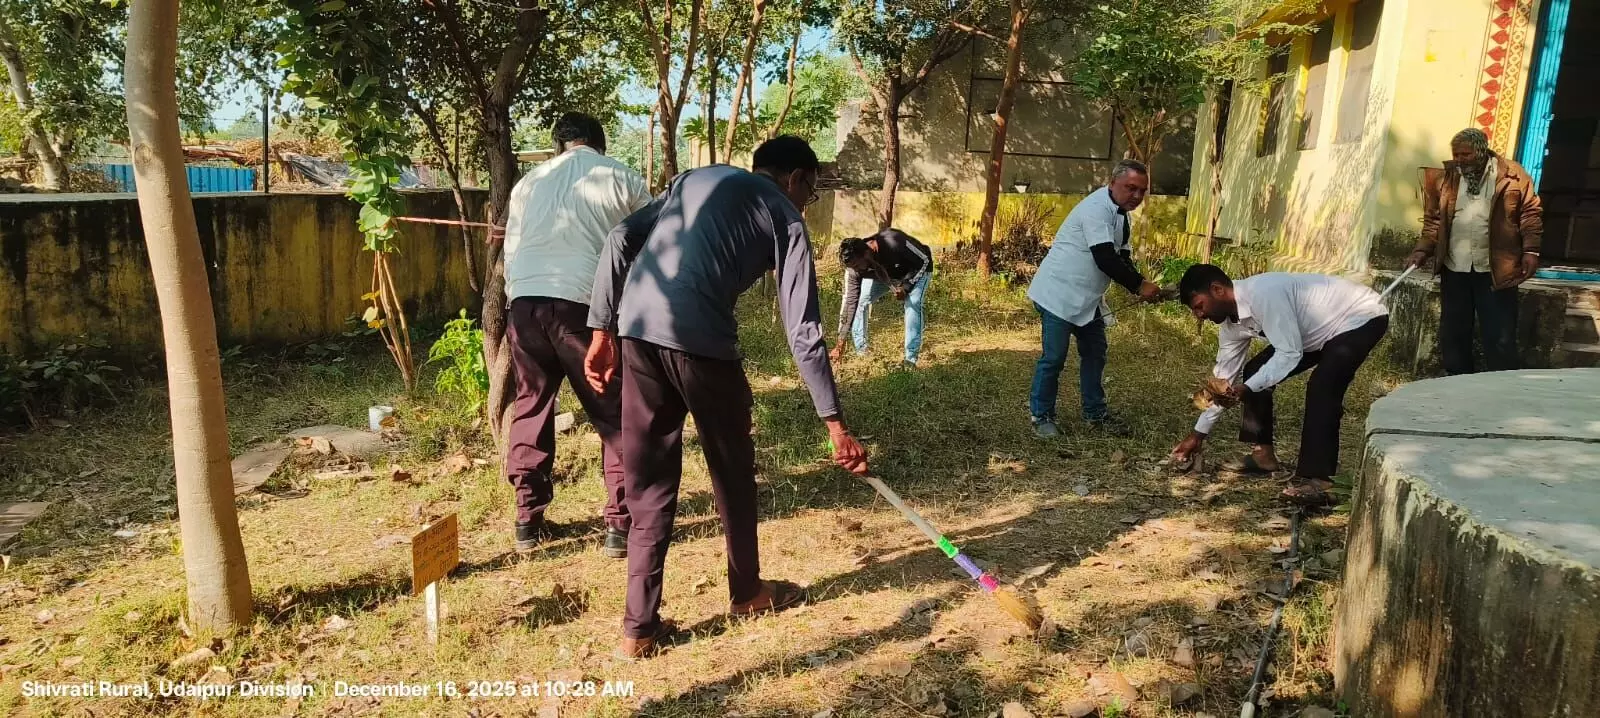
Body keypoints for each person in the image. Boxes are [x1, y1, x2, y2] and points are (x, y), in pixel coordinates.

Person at [583, 136, 870, 660]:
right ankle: (747, 593)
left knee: (647, 479)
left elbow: (622, 237)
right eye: (812, 189)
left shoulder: (694, 180)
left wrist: (601, 331)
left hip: (637, 333)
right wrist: (834, 422)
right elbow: (803, 327)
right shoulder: (785, 214)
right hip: (702, 345)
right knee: (732, 471)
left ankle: (638, 629)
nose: (808, 200)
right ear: (796, 180)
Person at [499, 112, 650, 556]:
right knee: (613, 411)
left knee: (531, 406)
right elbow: (651, 241)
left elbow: (511, 250)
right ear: (599, 143)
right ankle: (619, 527)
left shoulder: (528, 182)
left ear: (558, 144)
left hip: (524, 306)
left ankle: (528, 520)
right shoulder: (621, 177)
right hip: (584, 307)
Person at [1169, 265, 1390, 505]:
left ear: (1217, 290)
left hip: (1360, 316)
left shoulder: (1264, 294)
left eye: (1199, 306)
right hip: (1311, 334)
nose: (1198, 315)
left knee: (1322, 387)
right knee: (1254, 372)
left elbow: (1289, 355)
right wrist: (1197, 435)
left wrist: (1246, 389)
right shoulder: (1230, 327)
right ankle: (1263, 455)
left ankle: (1320, 481)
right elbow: (1223, 384)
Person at [1026, 159, 1162, 438]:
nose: (1136, 196)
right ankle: (1041, 416)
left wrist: (1141, 285)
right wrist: (1139, 286)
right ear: (1112, 183)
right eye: (1131, 188)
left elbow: (1122, 258)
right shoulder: (1096, 208)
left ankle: (1095, 414)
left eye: (1142, 191)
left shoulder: (1122, 216)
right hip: (1058, 295)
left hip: (1088, 299)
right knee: (1053, 358)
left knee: (1095, 354)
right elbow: (1104, 258)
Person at [1406, 127, 1543, 374]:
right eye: (1456, 154)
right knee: (1454, 333)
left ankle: (1501, 389)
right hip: (1455, 267)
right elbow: (1433, 221)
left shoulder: (1513, 175)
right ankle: (1458, 386)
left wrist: (1531, 251)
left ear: (1481, 152)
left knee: (1499, 335)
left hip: (1496, 270)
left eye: (1465, 155)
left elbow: (1530, 214)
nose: (1459, 160)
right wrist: (1422, 250)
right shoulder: (1446, 179)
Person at [831, 229, 934, 367]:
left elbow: (924, 260)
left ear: (867, 253)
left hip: (915, 269)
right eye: (851, 267)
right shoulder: (854, 268)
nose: (855, 271)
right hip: (885, 274)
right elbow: (850, 303)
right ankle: (863, 353)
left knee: (912, 303)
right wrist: (840, 342)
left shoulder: (894, 241)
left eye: (856, 266)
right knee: (861, 302)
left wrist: (906, 286)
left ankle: (910, 359)